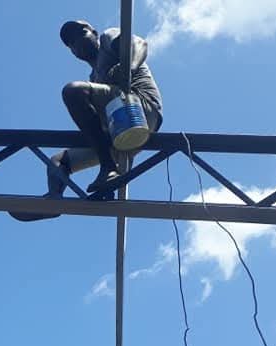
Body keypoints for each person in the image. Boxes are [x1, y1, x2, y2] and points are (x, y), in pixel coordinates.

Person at [12, 20, 163, 221]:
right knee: (58, 161)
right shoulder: (94, 78)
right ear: (73, 52)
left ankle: (108, 168)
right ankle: (54, 200)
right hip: (118, 127)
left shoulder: (108, 39)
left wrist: (130, 67)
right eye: (71, 43)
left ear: (94, 33)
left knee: (73, 91)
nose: (77, 42)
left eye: (81, 33)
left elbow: (139, 44)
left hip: (140, 105)